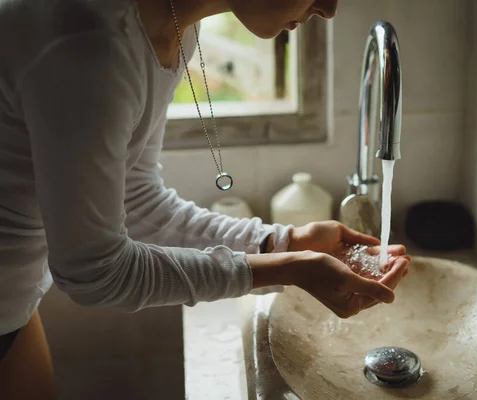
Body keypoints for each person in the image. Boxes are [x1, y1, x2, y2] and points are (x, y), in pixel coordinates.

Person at [0, 0, 411, 398]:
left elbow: (136, 197)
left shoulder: (170, 24)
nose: (329, 7)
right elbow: (95, 272)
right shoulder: (90, 45)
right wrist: (285, 268)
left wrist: (283, 242)